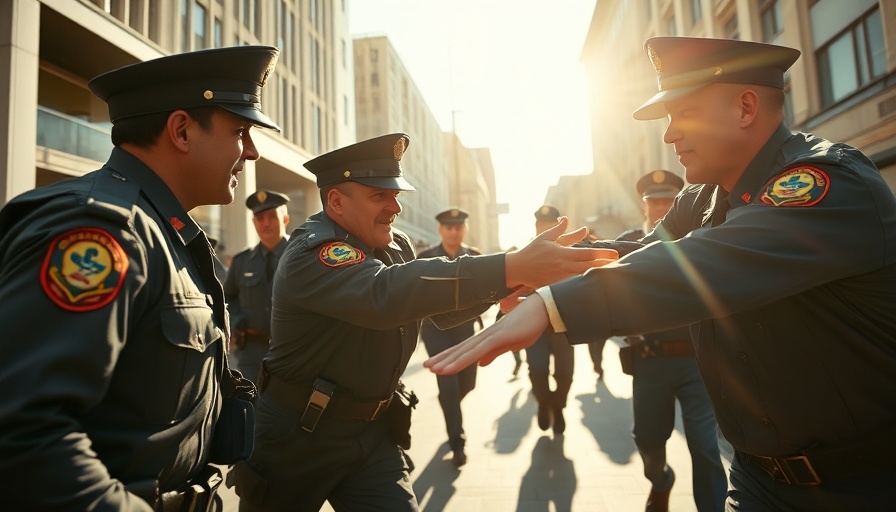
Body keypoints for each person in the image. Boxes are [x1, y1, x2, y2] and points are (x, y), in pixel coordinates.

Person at [426, 36, 896, 511]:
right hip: (758, 478)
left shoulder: (828, 184)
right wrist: (534, 271)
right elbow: (642, 252)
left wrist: (552, 306)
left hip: (863, 484)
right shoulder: (703, 199)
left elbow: (705, 263)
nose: (669, 135)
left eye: (683, 114)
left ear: (746, 107)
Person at [230, 133, 614, 511]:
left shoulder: (394, 244)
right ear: (336, 201)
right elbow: (385, 293)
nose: (395, 208)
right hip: (298, 439)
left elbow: (438, 311)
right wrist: (509, 266)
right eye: (380, 195)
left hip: (372, 434)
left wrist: (510, 283)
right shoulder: (312, 250)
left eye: (395, 195)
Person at [0, 45, 279, 510]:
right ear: (182, 130)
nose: (250, 151)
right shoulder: (100, 229)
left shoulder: (163, 231)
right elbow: (23, 428)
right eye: (241, 131)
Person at [620, 170, 727, 512]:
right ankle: (661, 480)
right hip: (650, 359)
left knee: (705, 445)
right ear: (644, 205)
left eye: (669, 201)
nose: (662, 207)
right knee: (648, 441)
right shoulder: (630, 243)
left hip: (697, 360)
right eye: (656, 202)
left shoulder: (700, 239)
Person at [417, 207, 482, 467]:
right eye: (448, 227)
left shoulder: (475, 257)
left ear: (464, 229)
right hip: (436, 331)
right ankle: (458, 441)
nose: (454, 232)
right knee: (449, 383)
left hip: (466, 330)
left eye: (458, 227)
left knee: (467, 384)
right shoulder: (425, 257)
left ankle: (448, 403)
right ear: (440, 230)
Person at [224, 189, 291, 384]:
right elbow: (228, 297)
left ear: (285, 219)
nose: (266, 223)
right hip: (252, 351)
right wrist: (237, 320)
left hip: (292, 349)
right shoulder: (241, 262)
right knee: (250, 405)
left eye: (272, 216)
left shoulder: (300, 258)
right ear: (253, 223)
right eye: (260, 218)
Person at [525, 205, 576, 435]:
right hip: (534, 328)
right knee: (537, 370)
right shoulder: (523, 255)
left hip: (564, 326)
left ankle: (559, 406)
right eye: (542, 228)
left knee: (565, 374)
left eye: (552, 227)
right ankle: (544, 403)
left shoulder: (572, 253)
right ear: (536, 230)